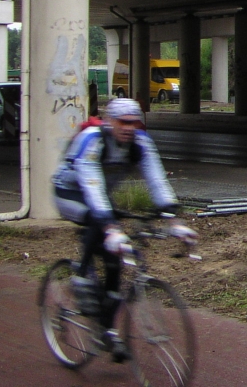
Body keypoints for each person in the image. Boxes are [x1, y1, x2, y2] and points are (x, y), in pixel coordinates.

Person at [52, 97, 198, 362]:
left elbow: (157, 180)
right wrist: (110, 227)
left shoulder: (140, 143)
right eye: (123, 122)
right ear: (109, 122)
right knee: (99, 222)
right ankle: (81, 277)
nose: (129, 128)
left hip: (101, 197)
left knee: (115, 264)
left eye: (134, 122)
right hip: (70, 193)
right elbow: (92, 187)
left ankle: (106, 330)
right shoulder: (92, 140)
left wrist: (174, 221)